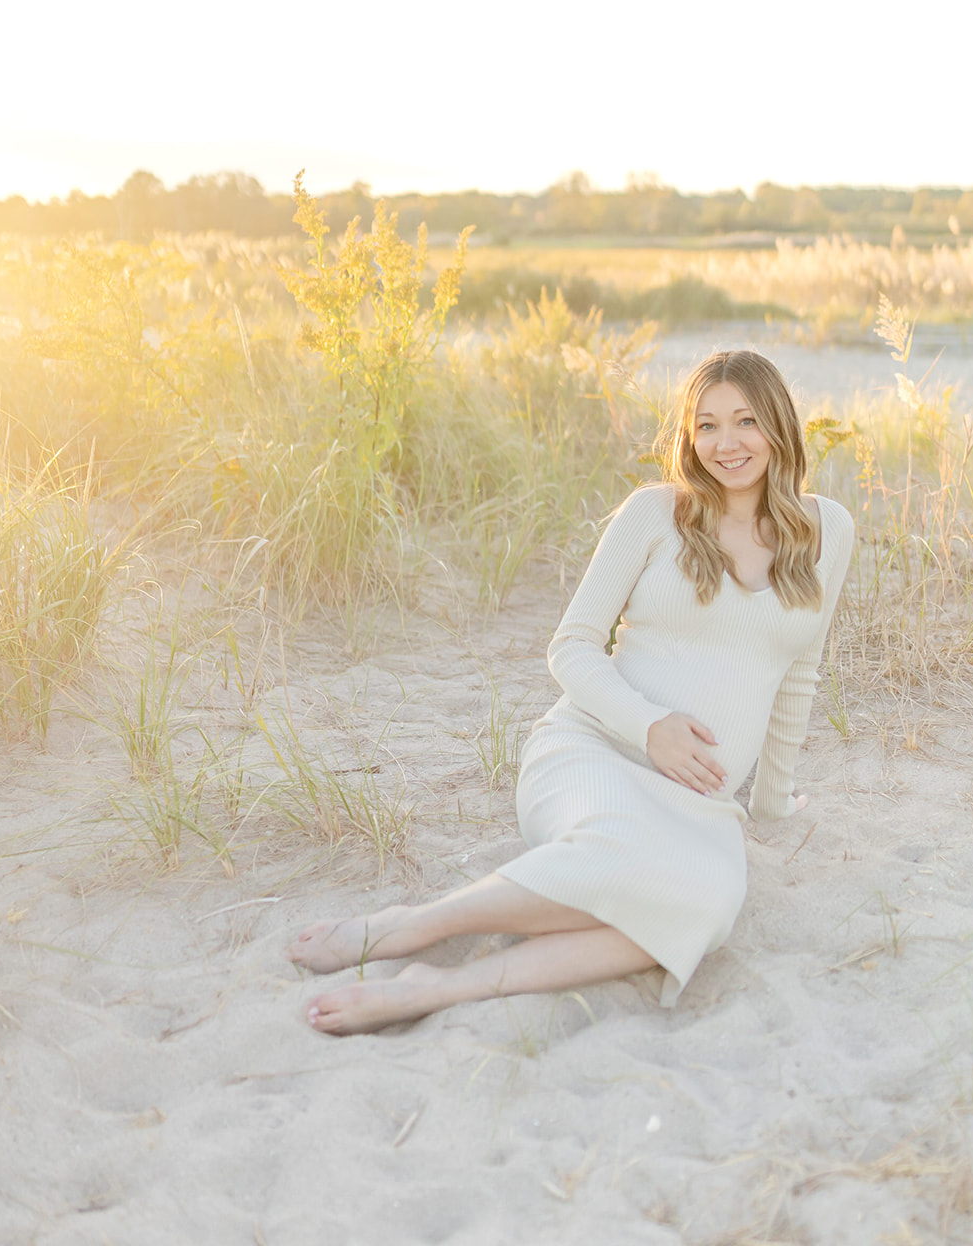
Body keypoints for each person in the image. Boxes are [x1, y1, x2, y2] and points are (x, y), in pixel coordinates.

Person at [289, 350, 854, 1034]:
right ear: (688, 437)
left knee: (702, 912)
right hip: (598, 751)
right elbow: (571, 648)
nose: (725, 444)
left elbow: (797, 674)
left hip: (698, 800)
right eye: (706, 426)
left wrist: (765, 805)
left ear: (778, 426)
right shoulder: (654, 515)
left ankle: (439, 986)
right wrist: (649, 727)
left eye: (744, 422)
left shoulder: (825, 531)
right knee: (616, 861)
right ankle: (410, 928)